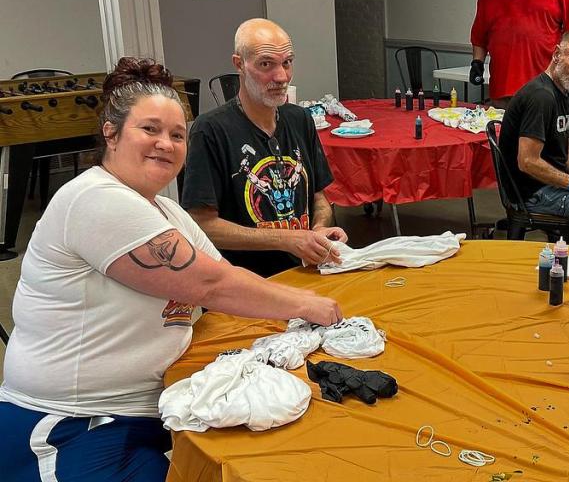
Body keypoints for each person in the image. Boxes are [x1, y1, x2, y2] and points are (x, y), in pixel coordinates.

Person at [0, 58, 342, 481]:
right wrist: (313, 308)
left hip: (150, 410)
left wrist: (305, 300)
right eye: (150, 129)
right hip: (71, 421)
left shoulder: (168, 212)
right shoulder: (94, 198)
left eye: (178, 135)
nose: (166, 143)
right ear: (111, 132)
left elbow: (229, 273)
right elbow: (212, 286)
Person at [182, 18, 347, 277]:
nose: (281, 76)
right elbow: (202, 224)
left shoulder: (300, 119)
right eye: (266, 64)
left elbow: (319, 198)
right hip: (246, 283)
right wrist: (286, 239)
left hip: (308, 274)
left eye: (287, 62)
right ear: (239, 64)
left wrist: (318, 231)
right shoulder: (210, 130)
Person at [497, 30, 569, 233]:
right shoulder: (541, 97)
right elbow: (527, 162)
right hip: (532, 192)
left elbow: (566, 151)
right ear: (556, 55)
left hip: (554, 178)